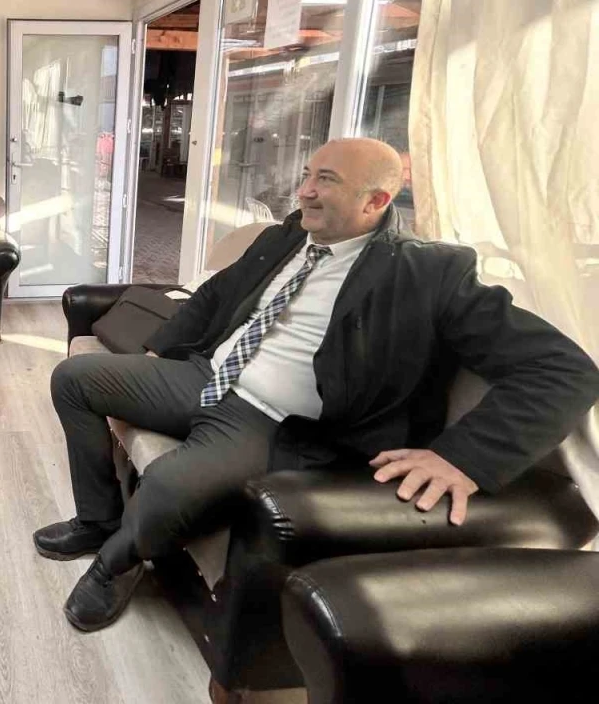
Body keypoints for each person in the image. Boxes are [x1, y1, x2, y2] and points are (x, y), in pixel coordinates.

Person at [35, 138, 599, 632]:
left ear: (376, 201)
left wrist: (464, 458)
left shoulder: (429, 273)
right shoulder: (290, 234)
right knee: (74, 379)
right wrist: (160, 350)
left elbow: (564, 369)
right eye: (306, 175)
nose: (304, 191)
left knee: (167, 484)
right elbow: (217, 293)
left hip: (269, 419)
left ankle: (114, 565)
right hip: (207, 375)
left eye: (325, 180)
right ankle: (98, 520)